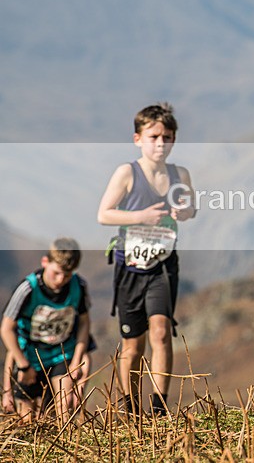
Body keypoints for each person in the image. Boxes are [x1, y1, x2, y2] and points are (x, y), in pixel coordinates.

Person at [97, 103, 195, 415]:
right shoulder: (127, 173)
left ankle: (159, 408)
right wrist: (141, 216)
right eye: (153, 137)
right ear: (138, 139)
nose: (160, 144)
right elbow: (104, 214)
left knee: (161, 332)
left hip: (163, 266)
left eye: (167, 137)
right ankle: (130, 408)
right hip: (130, 266)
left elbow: (191, 208)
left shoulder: (180, 174)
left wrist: (184, 211)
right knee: (133, 344)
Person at [0, 238, 90, 423]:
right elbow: (7, 329)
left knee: (63, 409)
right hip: (30, 357)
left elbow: (84, 323)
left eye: (67, 275)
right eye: (56, 273)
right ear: (45, 262)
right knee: (27, 418)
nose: (60, 280)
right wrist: (23, 365)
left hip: (62, 354)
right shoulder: (27, 288)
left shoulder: (78, 286)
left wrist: (76, 361)